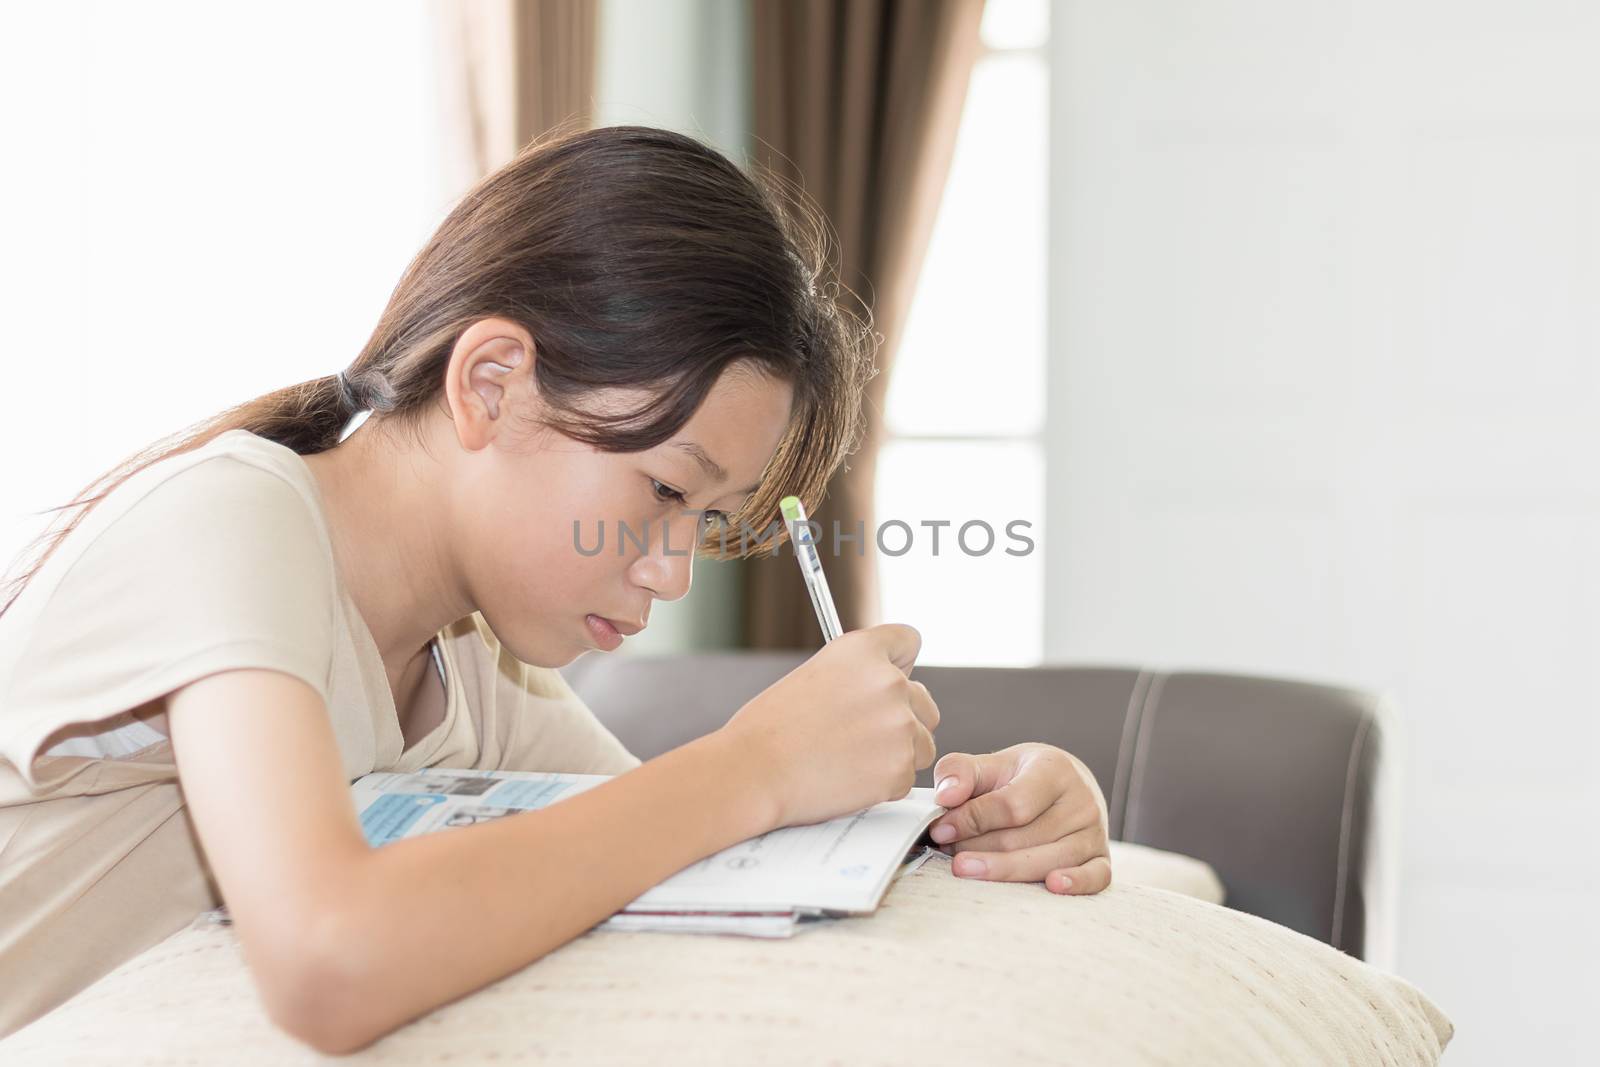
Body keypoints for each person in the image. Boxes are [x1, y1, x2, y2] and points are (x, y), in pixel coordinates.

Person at [0, 126, 1111, 1052]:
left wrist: (983, 821)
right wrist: (757, 763)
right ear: (492, 382)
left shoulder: (475, 664)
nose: (671, 571)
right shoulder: (233, 519)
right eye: (664, 488)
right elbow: (326, 959)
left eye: (708, 521)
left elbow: (678, 852)